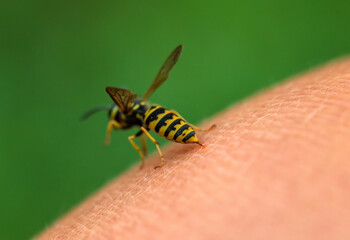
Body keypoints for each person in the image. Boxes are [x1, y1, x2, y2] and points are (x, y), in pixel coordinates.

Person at [37, 58, 350, 240]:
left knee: (148, 130)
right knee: (161, 117)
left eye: (114, 121)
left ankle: (190, 134)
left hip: (163, 128)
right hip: (166, 121)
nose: (115, 122)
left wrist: (153, 154)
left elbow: (137, 132)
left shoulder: (133, 123)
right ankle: (194, 131)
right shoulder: (141, 109)